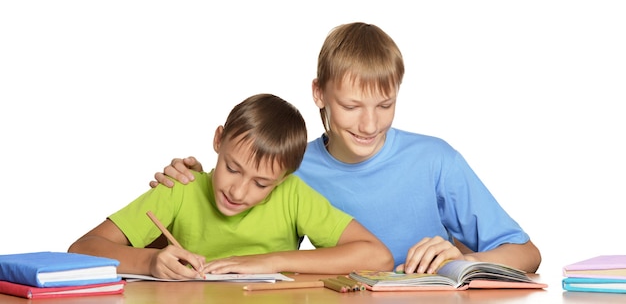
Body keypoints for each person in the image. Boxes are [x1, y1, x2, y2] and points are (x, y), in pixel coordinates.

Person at [151, 23, 542, 275]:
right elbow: (225, 229)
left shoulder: (436, 160)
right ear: (319, 94)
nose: (369, 125)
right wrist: (194, 187)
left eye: (385, 105)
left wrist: (465, 260)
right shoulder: (288, 168)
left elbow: (526, 254)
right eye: (352, 107)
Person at [69, 93, 393, 279]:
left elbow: (377, 257)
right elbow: (82, 250)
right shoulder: (180, 187)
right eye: (232, 168)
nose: (238, 192)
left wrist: (271, 262)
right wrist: (150, 263)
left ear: (283, 179)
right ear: (218, 139)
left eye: (261, 183)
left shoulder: (292, 195)